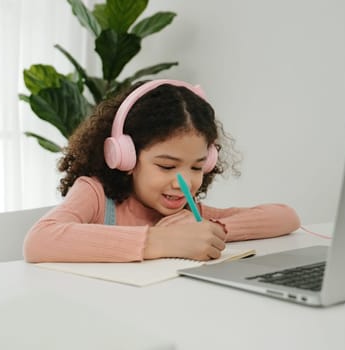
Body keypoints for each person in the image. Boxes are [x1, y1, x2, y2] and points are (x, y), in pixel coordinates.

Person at [23, 79, 300, 263]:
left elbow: (286, 217)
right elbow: (38, 241)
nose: (184, 182)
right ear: (125, 157)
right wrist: (160, 241)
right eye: (166, 166)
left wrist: (211, 231)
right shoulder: (95, 194)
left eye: (196, 166)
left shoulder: (186, 215)